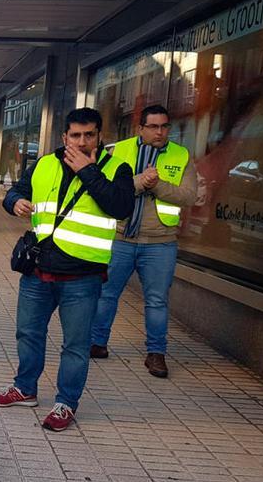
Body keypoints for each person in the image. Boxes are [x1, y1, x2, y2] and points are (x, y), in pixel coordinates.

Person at [0, 108, 134, 432]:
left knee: (76, 345)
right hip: (38, 270)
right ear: (64, 137)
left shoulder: (116, 168)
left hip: (83, 276)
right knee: (28, 333)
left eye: (90, 135)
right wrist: (14, 202)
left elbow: (122, 207)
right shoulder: (44, 164)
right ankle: (25, 389)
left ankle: (66, 403)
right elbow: (16, 191)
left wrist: (89, 171)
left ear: (99, 136)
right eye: (76, 136)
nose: (82, 142)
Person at [90, 105, 197, 378]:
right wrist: (140, 182)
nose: (160, 132)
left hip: (160, 242)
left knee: (157, 300)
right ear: (140, 128)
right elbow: (104, 189)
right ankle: (96, 343)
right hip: (120, 237)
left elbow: (187, 196)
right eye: (154, 126)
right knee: (106, 293)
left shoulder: (180, 155)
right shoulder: (118, 151)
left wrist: (158, 185)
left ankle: (156, 354)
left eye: (165, 126)